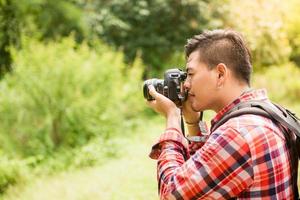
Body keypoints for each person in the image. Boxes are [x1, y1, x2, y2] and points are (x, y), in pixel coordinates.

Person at [146, 29, 295, 199]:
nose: (185, 84)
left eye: (190, 74)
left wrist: (172, 117)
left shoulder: (237, 133)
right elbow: (205, 174)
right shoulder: (267, 113)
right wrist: (192, 123)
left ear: (220, 74)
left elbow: (171, 194)